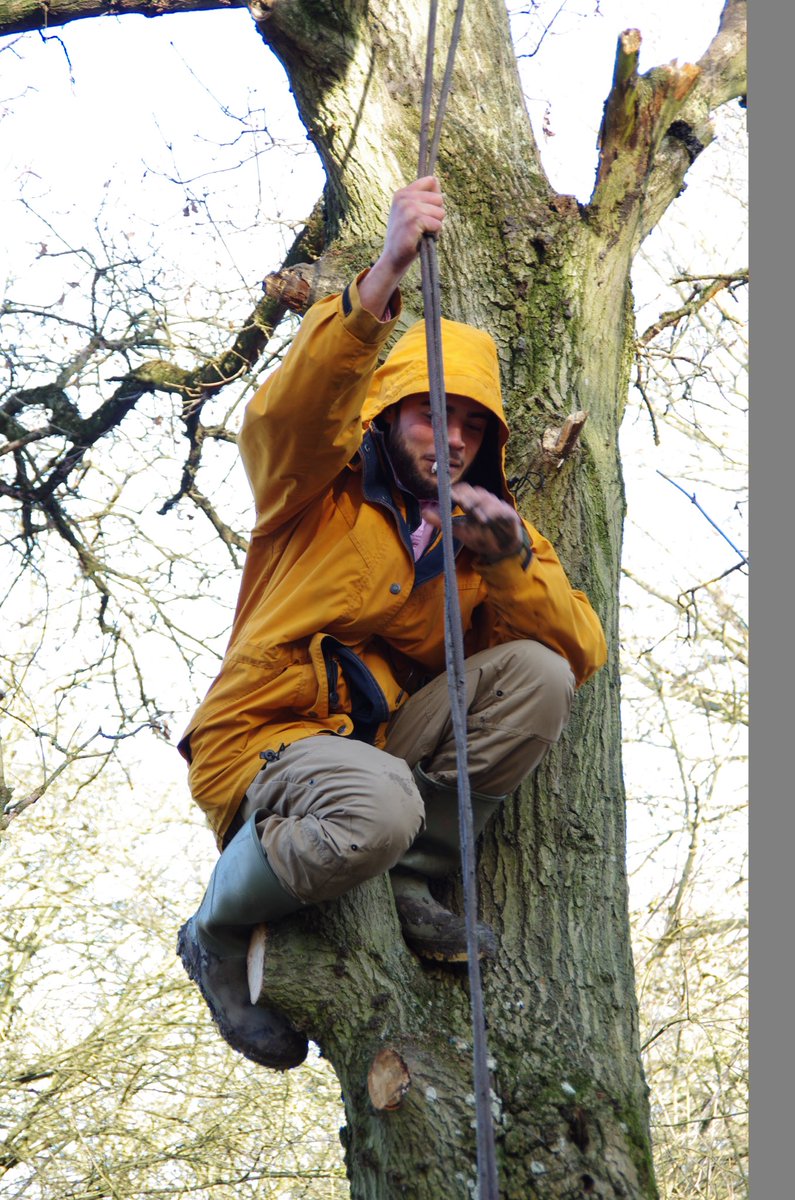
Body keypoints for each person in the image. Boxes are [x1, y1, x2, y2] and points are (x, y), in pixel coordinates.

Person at [176, 176, 607, 1071]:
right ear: (387, 414)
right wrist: (382, 276)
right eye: (430, 413)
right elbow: (290, 413)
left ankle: (409, 879)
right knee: (375, 804)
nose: (450, 439)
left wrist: (505, 561)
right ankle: (214, 926)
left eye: (470, 426)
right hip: (265, 739)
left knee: (536, 674)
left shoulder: (487, 534)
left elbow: (578, 652)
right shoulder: (314, 487)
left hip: (378, 754)